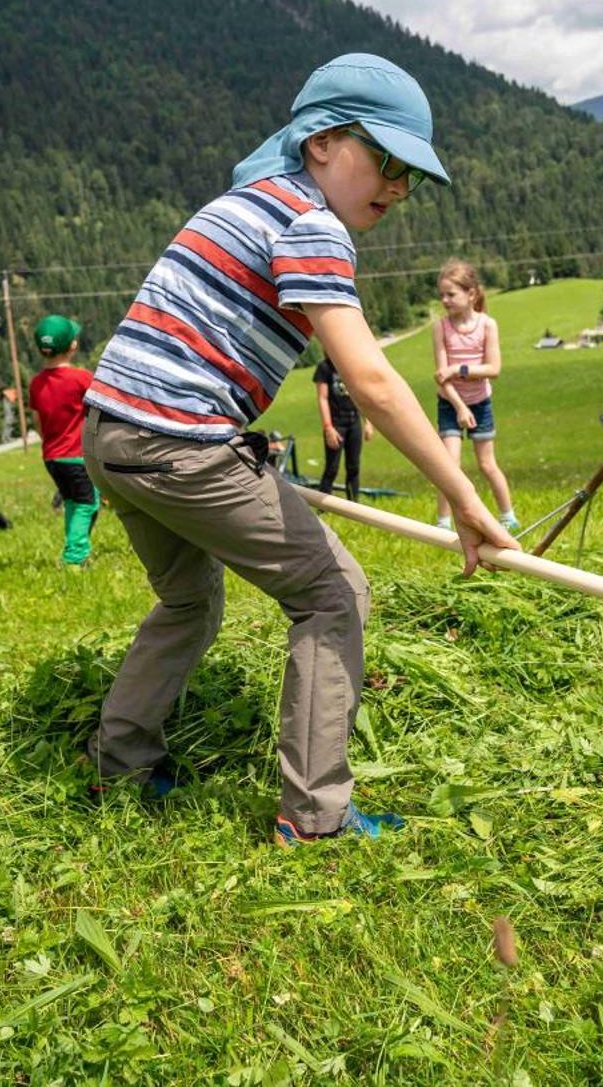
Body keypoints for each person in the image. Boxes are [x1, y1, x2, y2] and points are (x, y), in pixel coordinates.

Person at [81, 52, 519, 844]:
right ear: (320, 142)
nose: (396, 187)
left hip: (111, 434)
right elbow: (374, 384)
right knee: (333, 594)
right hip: (179, 444)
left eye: (411, 174)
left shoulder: (244, 202)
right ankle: (315, 817)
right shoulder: (310, 225)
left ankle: (121, 762)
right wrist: (462, 494)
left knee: (188, 599)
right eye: (384, 160)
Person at [430, 259, 520, 533]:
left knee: (486, 464)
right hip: (450, 403)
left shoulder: (487, 325)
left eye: (451, 294)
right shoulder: (440, 328)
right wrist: (458, 406)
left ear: (471, 294)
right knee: (449, 465)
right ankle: (444, 523)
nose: (445, 300)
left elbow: (493, 369)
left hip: (480, 403)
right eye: (442, 295)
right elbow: (440, 377)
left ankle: (508, 516)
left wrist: (460, 369)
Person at [28, 313, 100, 567]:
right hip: (77, 455)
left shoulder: (36, 383)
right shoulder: (82, 378)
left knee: (71, 501)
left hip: (52, 457)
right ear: (73, 346)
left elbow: (38, 423)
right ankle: (75, 557)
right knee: (87, 505)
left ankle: (74, 547)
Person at [313, 353, 373, 501]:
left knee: (353, 467)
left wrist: (368, 422)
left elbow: (361, 395)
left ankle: (354, 506)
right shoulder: (324, 368)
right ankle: (322, 507)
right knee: (332, 468)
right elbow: (323, 398)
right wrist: (328, 427)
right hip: (336, 424)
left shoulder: (351, 366)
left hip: (353, 422)